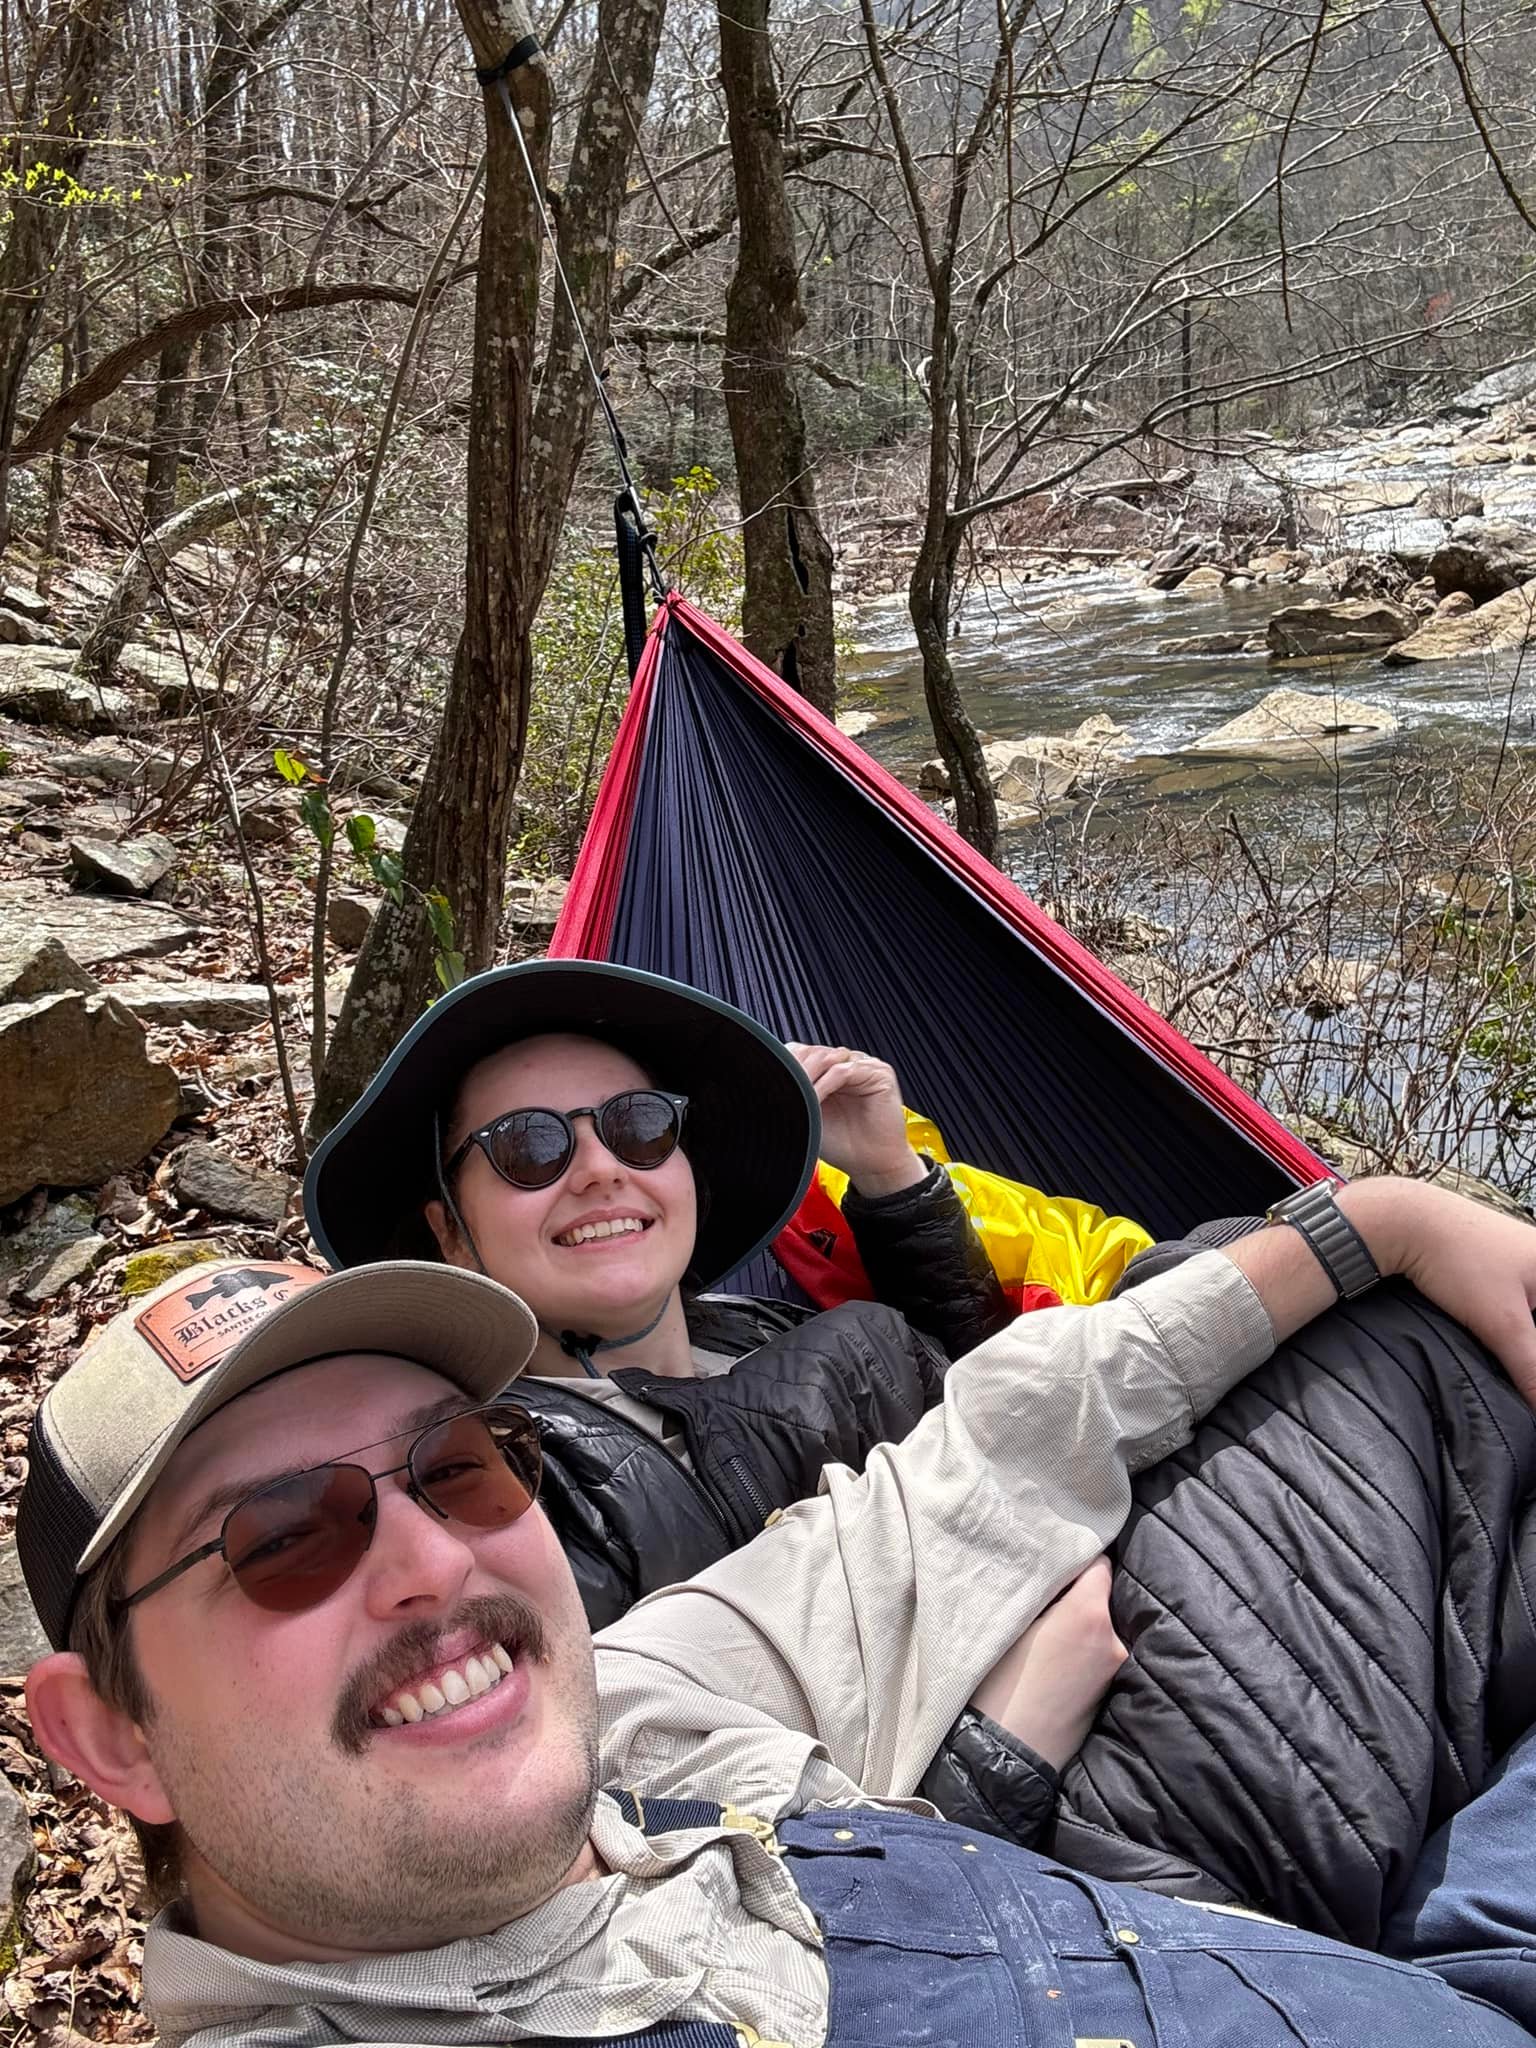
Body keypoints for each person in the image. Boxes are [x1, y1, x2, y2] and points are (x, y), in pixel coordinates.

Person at [16, 1183, 1536, 2048]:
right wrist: (994, 1774)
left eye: (466, 1468)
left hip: (1431, 1975)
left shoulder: (631, 1712)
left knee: (1363, 1327)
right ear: (109, 1738)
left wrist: (1375, 1225)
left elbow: (973, 1457)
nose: (428, 1556)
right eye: (284, 1537)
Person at [301, 961, 1536, 1943]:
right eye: (529, 1147)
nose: (600, 1166)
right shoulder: (512, 1485)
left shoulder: (758, 1327)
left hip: (1135, 1615)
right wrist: (991, 1764)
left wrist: (889, 1174)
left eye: (635, 1123)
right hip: (1061, 1805)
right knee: (1374, 1341)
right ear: (446, 1230)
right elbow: (659, 1853)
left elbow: (976, 1384)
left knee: (1274, 1308)